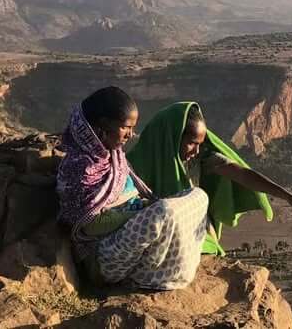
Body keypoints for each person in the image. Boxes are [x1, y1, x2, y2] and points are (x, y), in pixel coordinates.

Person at [56, 87, 210, 290]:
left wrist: (143, 209)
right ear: (103, 125)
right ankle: (147, 275)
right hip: (103, 255)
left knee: (199, 195)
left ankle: (163, 264)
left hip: (128, 237)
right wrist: (140, 212)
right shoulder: (80, 166)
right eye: (125, 127)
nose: (131, 134)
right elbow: (90, 224)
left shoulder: (112, 155)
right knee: (163, 212)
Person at [127, 102, 292, 255]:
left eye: (200, 144)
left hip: (191, 234)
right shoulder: (135, 161)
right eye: (191, 143)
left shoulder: (202, 158)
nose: (196, 150)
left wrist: (289, 197)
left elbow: (242, 174)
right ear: (172, 137)